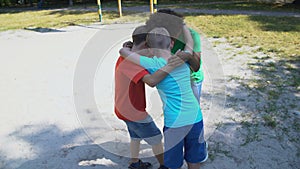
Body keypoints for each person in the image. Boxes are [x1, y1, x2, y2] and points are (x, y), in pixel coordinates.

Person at [119, 27, 207, 169]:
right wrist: (182, 26)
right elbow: (189, 43)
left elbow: (123, 53)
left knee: (173, 164)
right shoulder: (183, 57)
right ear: (171, 43)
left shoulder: (152, 64)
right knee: (194, 160)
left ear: (150, 49)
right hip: (196, 117)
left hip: (174, 123)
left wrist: (126, 47)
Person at [115, 25, 183, 169]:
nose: (153, 53)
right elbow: (151, 81)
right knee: (156, 138)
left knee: (135, 135)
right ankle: (164, 165)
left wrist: (126, 48)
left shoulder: (127, 56)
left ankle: (134, 162)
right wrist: (170, 65)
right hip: (133, 112)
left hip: (123, 109)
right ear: (146, 45)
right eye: (151, 48)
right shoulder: (131, 63)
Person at [148, 9, 204, 103]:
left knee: (192, 107)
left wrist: (188, 57)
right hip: (172, 77)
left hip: (192, 79)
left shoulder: (192, 35)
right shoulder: (158, 35)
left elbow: (196, 67)